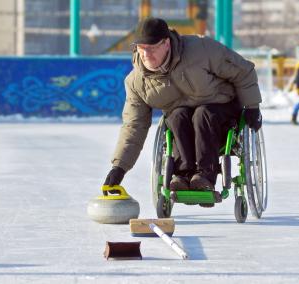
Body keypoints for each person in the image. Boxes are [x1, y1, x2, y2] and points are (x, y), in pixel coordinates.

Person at [104, 17, 263, 192]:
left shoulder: (202, 50)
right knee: (177, 116)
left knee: (202, 114)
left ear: (166, 43)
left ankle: (205, 174)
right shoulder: (136, 83)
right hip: (183, 125)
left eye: (152, 48)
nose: (146, 54)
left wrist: (252, 106)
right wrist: (119, 168)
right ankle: (183, 174)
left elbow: (243, 71)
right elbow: (134, 125)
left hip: (221, 111)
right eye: (141, 48)